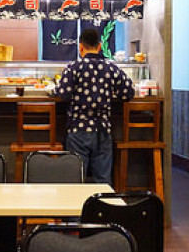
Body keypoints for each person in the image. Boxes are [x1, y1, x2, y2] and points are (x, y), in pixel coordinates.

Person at [54, 27, 135, 184]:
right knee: (103, 180)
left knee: (76, 179)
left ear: (80, 47)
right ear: (99, 46)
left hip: (78, 130)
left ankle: (77, 201)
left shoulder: (73, 67)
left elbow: (63, 94)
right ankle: (103, 200)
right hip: (102, 130)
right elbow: (128, 93)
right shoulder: (111, 68)